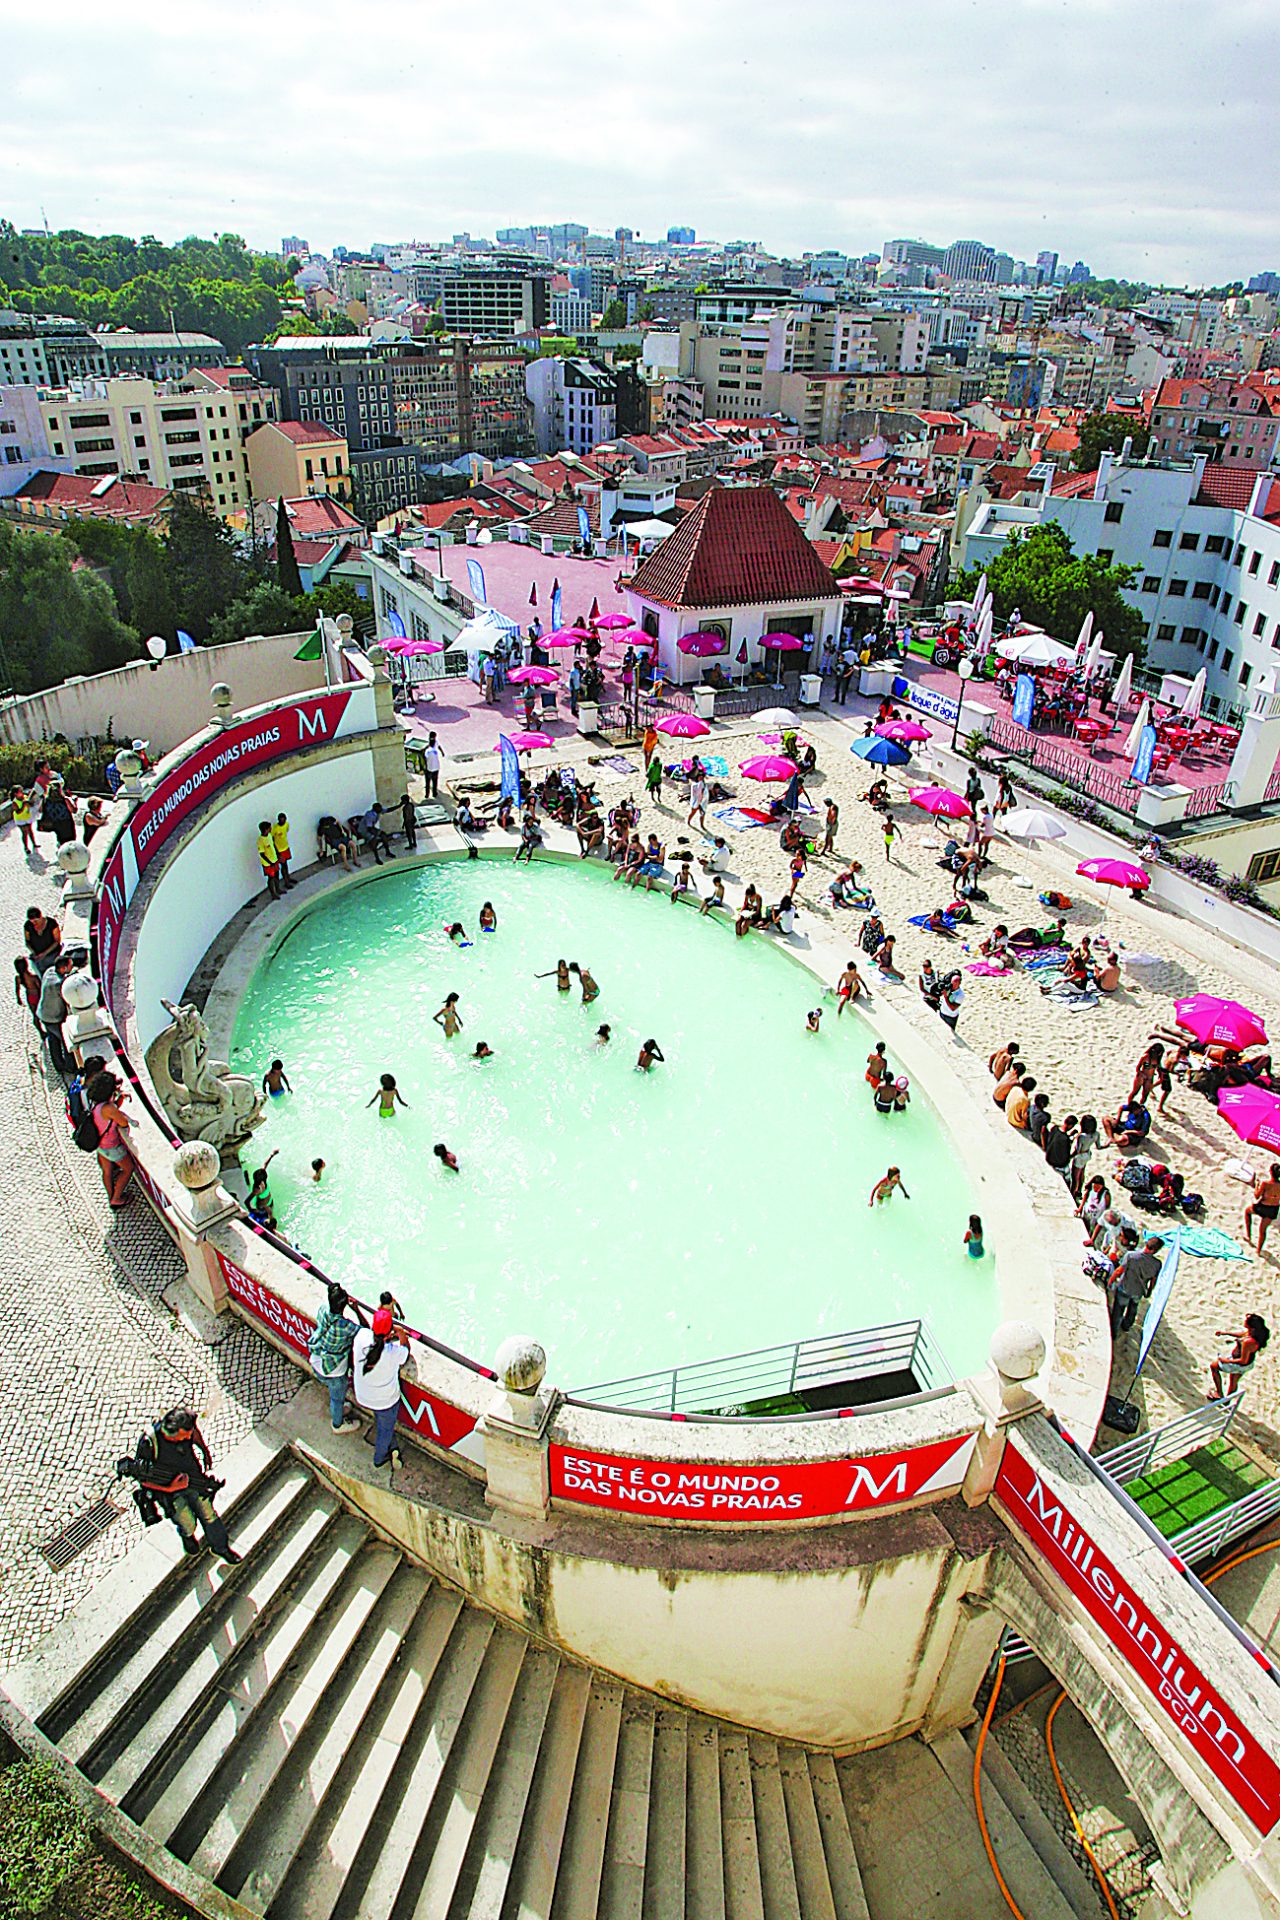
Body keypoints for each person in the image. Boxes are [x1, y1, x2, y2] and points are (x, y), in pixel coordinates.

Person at [115, 1407, 241, 1563]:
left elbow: (194, 1433)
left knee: (209, 1515)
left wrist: (204, 1451)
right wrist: (171, 1488)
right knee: (187, 1522)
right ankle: (187, 1535)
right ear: (175, 1433)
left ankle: (221, 1548)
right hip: (170, 1492)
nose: (188, 1437)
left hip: (194, 1479)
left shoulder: (186, 1429)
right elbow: (143, 1480)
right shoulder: (149, 1442)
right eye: (185, 1435)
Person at [352, 1306, 408, 1469]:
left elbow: (365, 1331)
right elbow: (406, 1352)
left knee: (381, 1418)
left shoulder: (361, 1337)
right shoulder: (392, 1352)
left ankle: (387, 1439)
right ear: (390, 1331)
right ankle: (380, 1457)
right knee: (385, 1430)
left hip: (363, 1394)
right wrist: (401, 1333)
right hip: (385, 1401)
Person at [308, 1282, 365, 1433]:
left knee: (335, 1396)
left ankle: (339, 1410)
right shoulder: (344, 1326)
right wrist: (357, 1310)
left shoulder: (323, 1310)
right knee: (336, 1399)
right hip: (333, 1371)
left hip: (316, 1360)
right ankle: (337, 1425)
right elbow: (365, 1331)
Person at [88, 1067, 134, 1207]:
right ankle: (117, 1197)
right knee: (128, 1169)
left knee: (107, 1172)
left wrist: (119, 1099)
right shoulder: (108, 1108)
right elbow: (123, 1122)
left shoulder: (96, 1104)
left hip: (100, 1145)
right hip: (111, 1146)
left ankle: (110, 1195)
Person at [1108, 1232, 1163, 1338]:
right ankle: (1126, 1326)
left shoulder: (1131, 1256)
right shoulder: (1157, 1264)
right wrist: (1149, 1291)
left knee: (1118, 1311)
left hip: (1125, 1288)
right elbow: (1153, 1280)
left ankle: (1114, 1333)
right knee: (1132, 1310)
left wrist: (1110, 1281)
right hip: (1138, 1291)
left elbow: (1119, 1270)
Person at [1210, 1314, 1271, 1399]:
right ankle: (1227, 1401)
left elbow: (1243, 1361)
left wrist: (1226, 1361)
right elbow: (1241, 1334)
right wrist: (1225, 1333)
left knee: (1214, 1367)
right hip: (1247, 1363)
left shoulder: (1249, 1342)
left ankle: (1219, 1393)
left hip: (1239, 1364)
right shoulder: (1252, 1333)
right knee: (1233, 1381)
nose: (1244, 1320)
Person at [37, 955, 74, 1073]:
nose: (71, 967)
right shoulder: (59, 984)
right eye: (70, 965)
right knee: (65, 1041)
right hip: (54, 1018)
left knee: (53, 1041)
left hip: (43, 1014)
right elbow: (68, 997)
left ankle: (58, 1065)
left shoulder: (49, 972)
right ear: (63, 968)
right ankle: (70, 1066)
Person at [1245, 1164, 1280, 1254]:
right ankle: (1259, 1250)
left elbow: (1257, 1196)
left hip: (1262, 1207)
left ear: (1271, 1172)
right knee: (1263, 1231)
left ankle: (1249, 1236)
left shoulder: (1266, 1184)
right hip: (1273, 1209)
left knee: (1247, 1212)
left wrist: (1257, 1185)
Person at [38, 777, 76, 845]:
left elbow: (40, 810)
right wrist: (74, 802)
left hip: (55, 822)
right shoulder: (65, 799)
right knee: (70, 841)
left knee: (61, 840)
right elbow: (74, 810)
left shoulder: (46, 800)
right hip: (66, 823)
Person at [257, 820, 281, 900]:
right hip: (268, 864)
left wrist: (278, 854)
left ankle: (278, 889)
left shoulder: (269, 836)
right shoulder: (260, 841)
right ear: (266, 829)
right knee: (271, 878)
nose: (271, 829)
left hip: (274, 860)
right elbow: (262, 854)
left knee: (277, 875)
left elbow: (273, 845)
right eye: (269, 828)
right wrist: (270, 863)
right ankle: (273, 894)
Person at [14, 954, 40, 1026]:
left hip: (29, 996)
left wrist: (18, 998)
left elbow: (17, 989)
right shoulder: (33, 977)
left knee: (35, 1016)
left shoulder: (18, 978)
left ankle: (40, 1031)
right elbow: (39, 987)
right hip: (37, 996)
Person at [272, 813, 294, 889]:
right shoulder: (274, 828)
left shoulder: (286, 825)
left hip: (285, 848)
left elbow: (286, 832)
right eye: (281, 820)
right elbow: (272, 840)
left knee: (286, 865)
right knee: (283, 865)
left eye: (284, 820)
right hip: (279, 850)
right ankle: (286, 882)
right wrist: (277, 852)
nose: (283, 821)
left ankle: (288, 878)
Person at [11, 787, 36, 854]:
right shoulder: (14, 802)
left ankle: (34, 844)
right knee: (24, 833)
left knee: (30, 831)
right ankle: (26, 847)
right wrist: (23, 805)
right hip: (20, 819)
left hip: (27, 817)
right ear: (16, 794)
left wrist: (30, 802)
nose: (22, 792)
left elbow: (31, 805)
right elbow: (18, 812)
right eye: (20, 791)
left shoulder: (25, 797)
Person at [423, 731, 441, 801]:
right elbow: (439, 747)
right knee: (435, 781)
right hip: (436, 767)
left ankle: (427, 794)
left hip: (429, 768)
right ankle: (434, 793)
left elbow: (425, 758)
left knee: (427, 782)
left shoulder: (427, 751)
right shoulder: (435, 750)